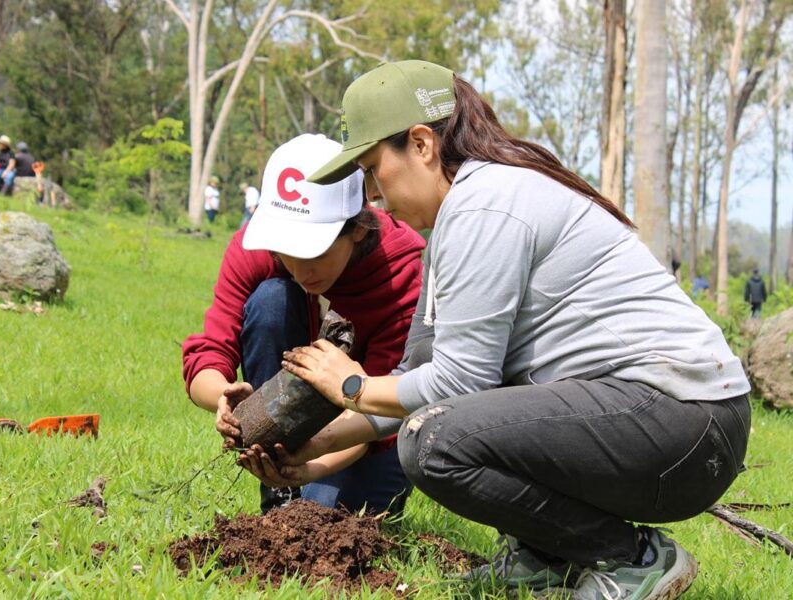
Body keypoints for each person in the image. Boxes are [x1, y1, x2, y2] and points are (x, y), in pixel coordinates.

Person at [265, 61, 750, 600]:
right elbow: (418, 379)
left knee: (433, 442)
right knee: (435, 427)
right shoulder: (458, 220)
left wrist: (352, 387)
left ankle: (630, 559)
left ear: (421, 144)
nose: (373, 195)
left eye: (374, 169)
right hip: (660, 422)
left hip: (683, 421)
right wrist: (314, 447)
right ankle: (547, 556)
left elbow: (457, 387)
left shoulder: (486, 205)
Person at [182, 133, 425, 515]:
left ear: (357, 228)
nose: (300, 268)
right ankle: (277, 486)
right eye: (287, 249)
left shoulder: (399, 275)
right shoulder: (254, 251)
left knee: (323, 516)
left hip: (369, 432)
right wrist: (224, 398)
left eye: (315, 251)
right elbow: (209, 352)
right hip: (302, 420)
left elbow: (380, 412)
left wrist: (310, 467)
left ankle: (302, 489)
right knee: (272, 299)